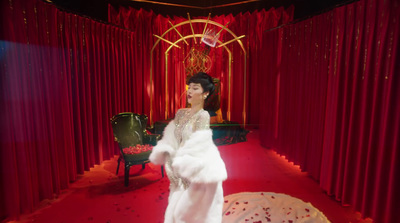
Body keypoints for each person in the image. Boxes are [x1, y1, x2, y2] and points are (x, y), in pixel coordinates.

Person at [149, 72, 227, 223]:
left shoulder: (203, 116)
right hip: (175, 165)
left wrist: (180, 166)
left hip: (190, 169)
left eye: (195, 88)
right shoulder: (180, 113)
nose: (189, 91)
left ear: (205, 94)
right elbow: (173, 138)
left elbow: (197, 146)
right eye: (189, 87)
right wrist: (170, 159)